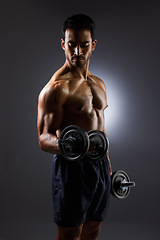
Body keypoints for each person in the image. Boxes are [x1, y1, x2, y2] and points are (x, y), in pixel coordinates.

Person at [37, 14, 112, 240]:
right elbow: (43, 138)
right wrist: (72, 146)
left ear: (93, 45)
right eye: (71, 45)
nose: (77, 52)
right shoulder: (56, 88)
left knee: (93, 227)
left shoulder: (99, 83)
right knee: (70, 233)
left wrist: (107, 164)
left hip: (99, 167)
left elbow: (101, 129)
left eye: (83, 45)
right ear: (63, 44)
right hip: (72, 169)